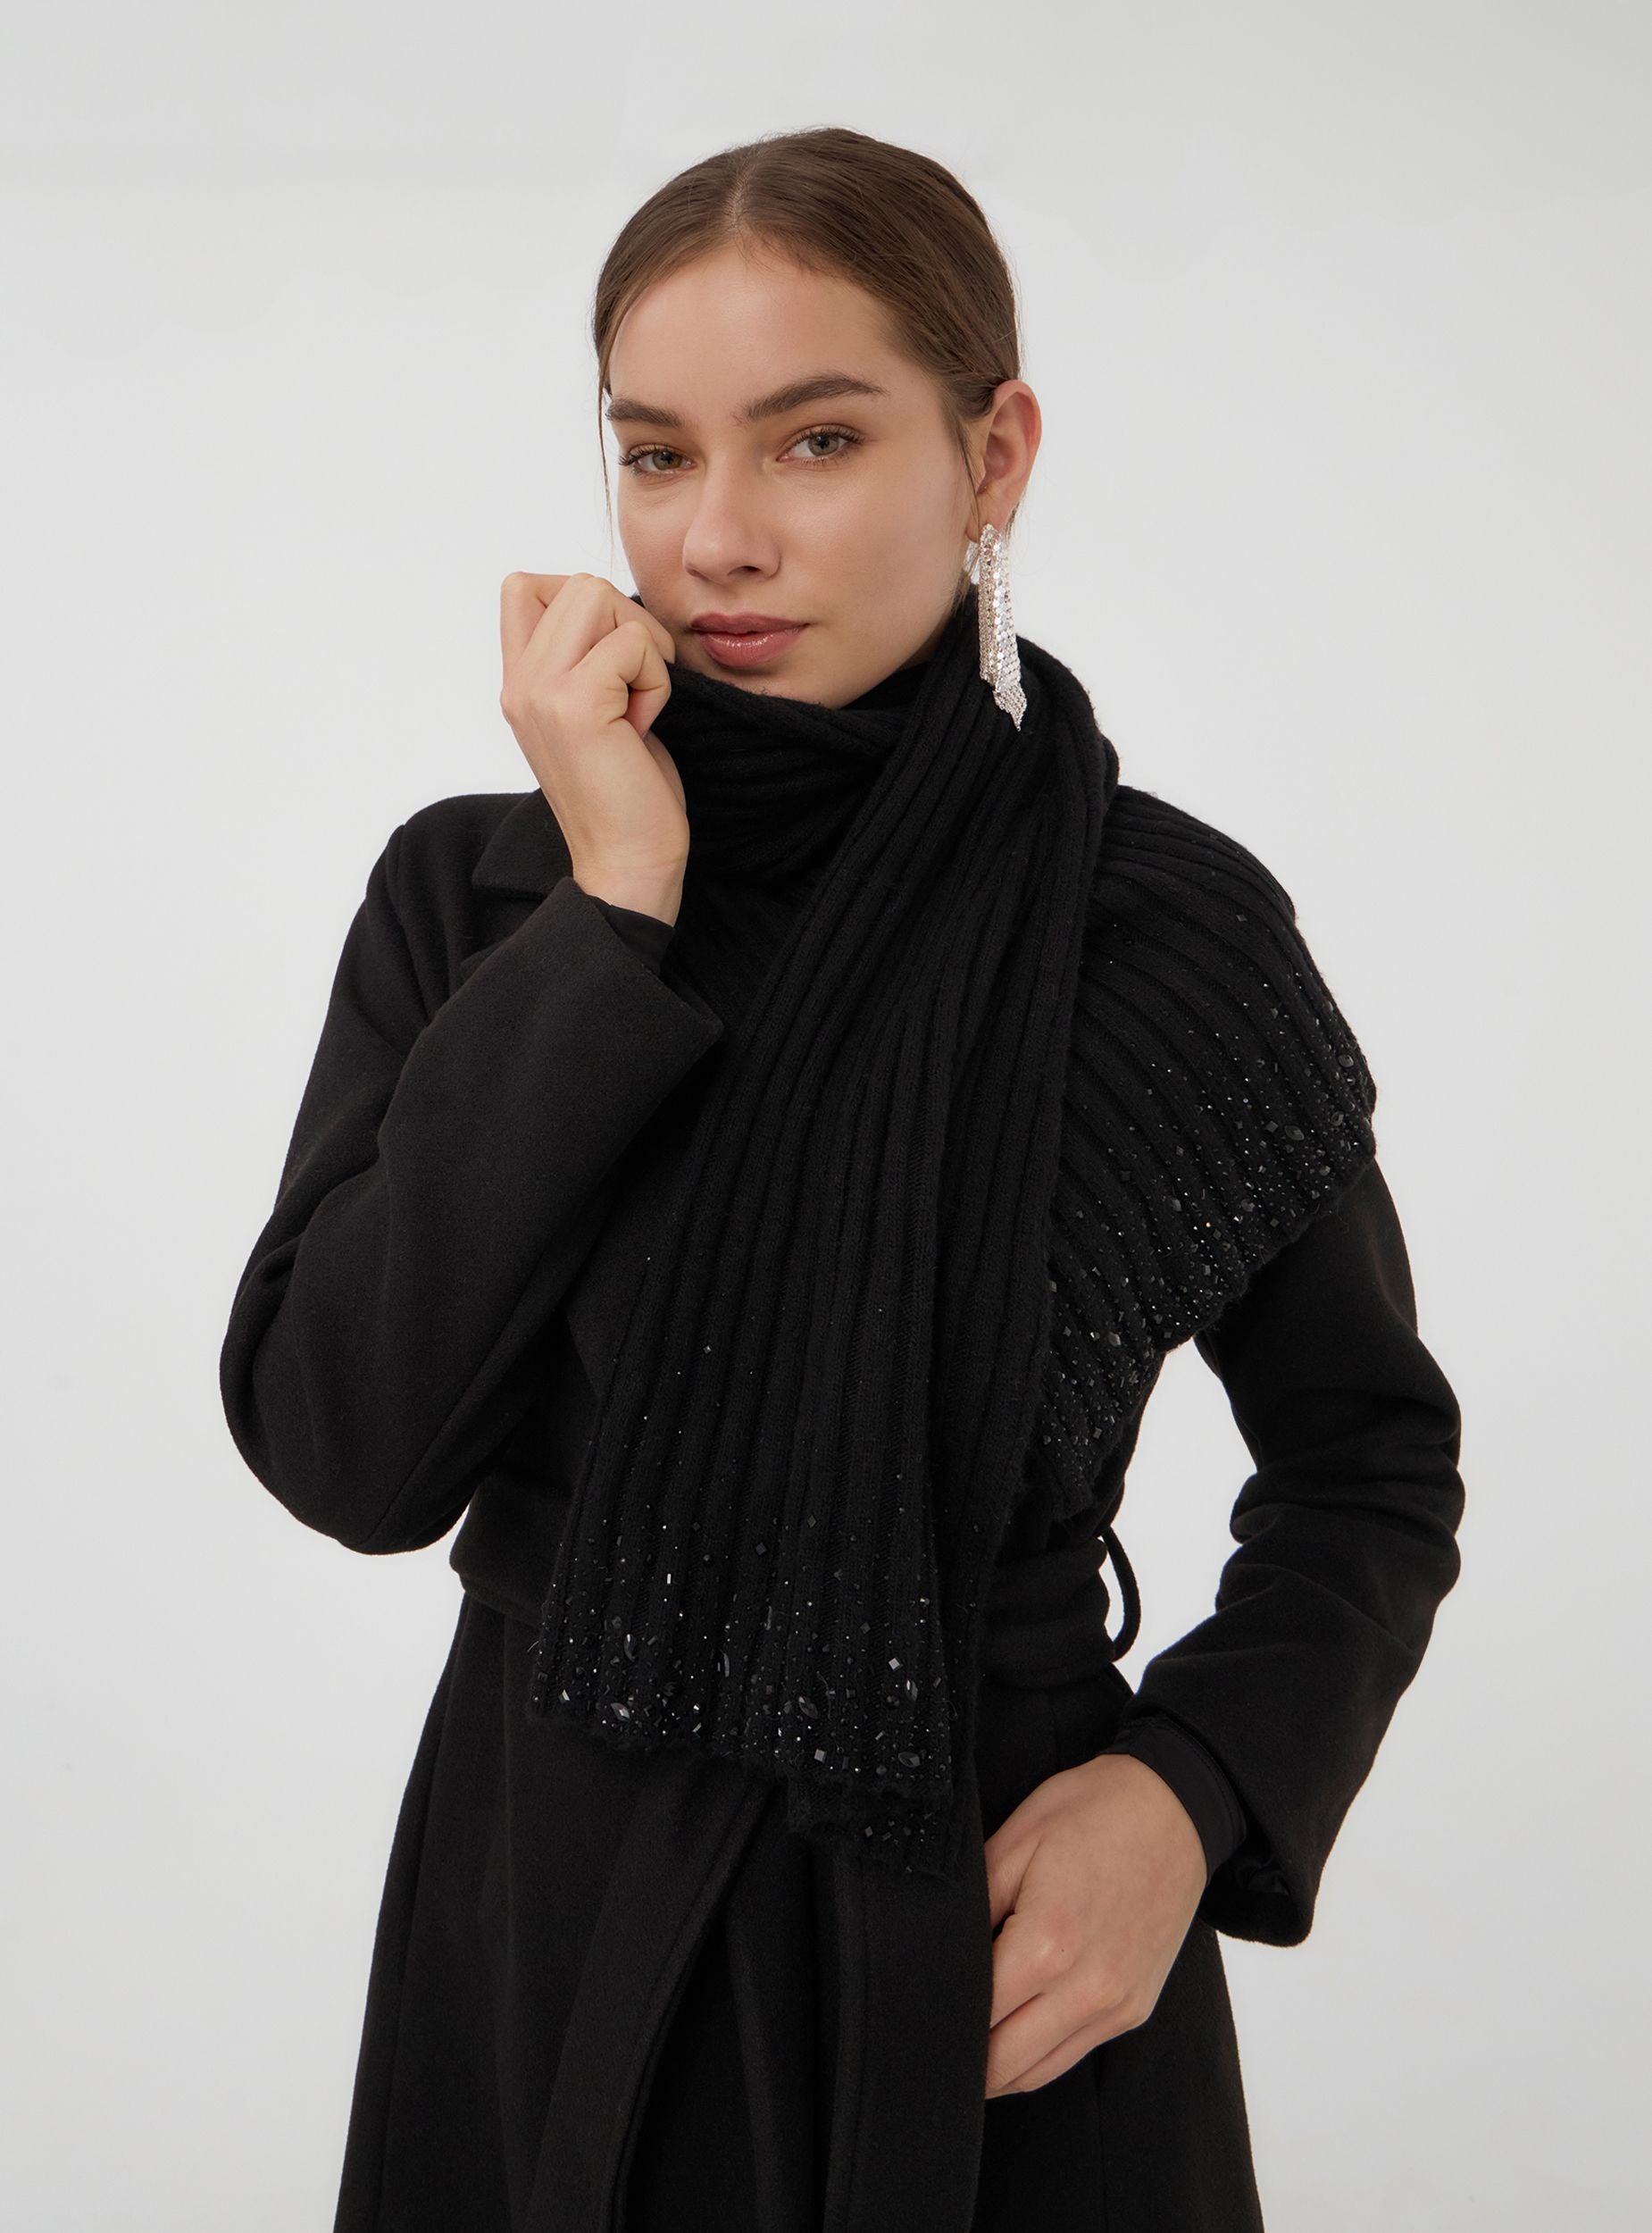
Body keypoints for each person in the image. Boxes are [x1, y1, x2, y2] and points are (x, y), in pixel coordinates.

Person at [218, 127, 1466, 2233]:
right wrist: (614, 904)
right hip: (549, 1931)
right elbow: (347, 1445)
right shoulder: (484, 894)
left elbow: (1367, 1461)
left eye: (813, 440)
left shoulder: (1165, 946)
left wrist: (1187, 1795)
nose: (715, 536)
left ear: (993, 456)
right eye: (652, 453)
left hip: (997, 1960)